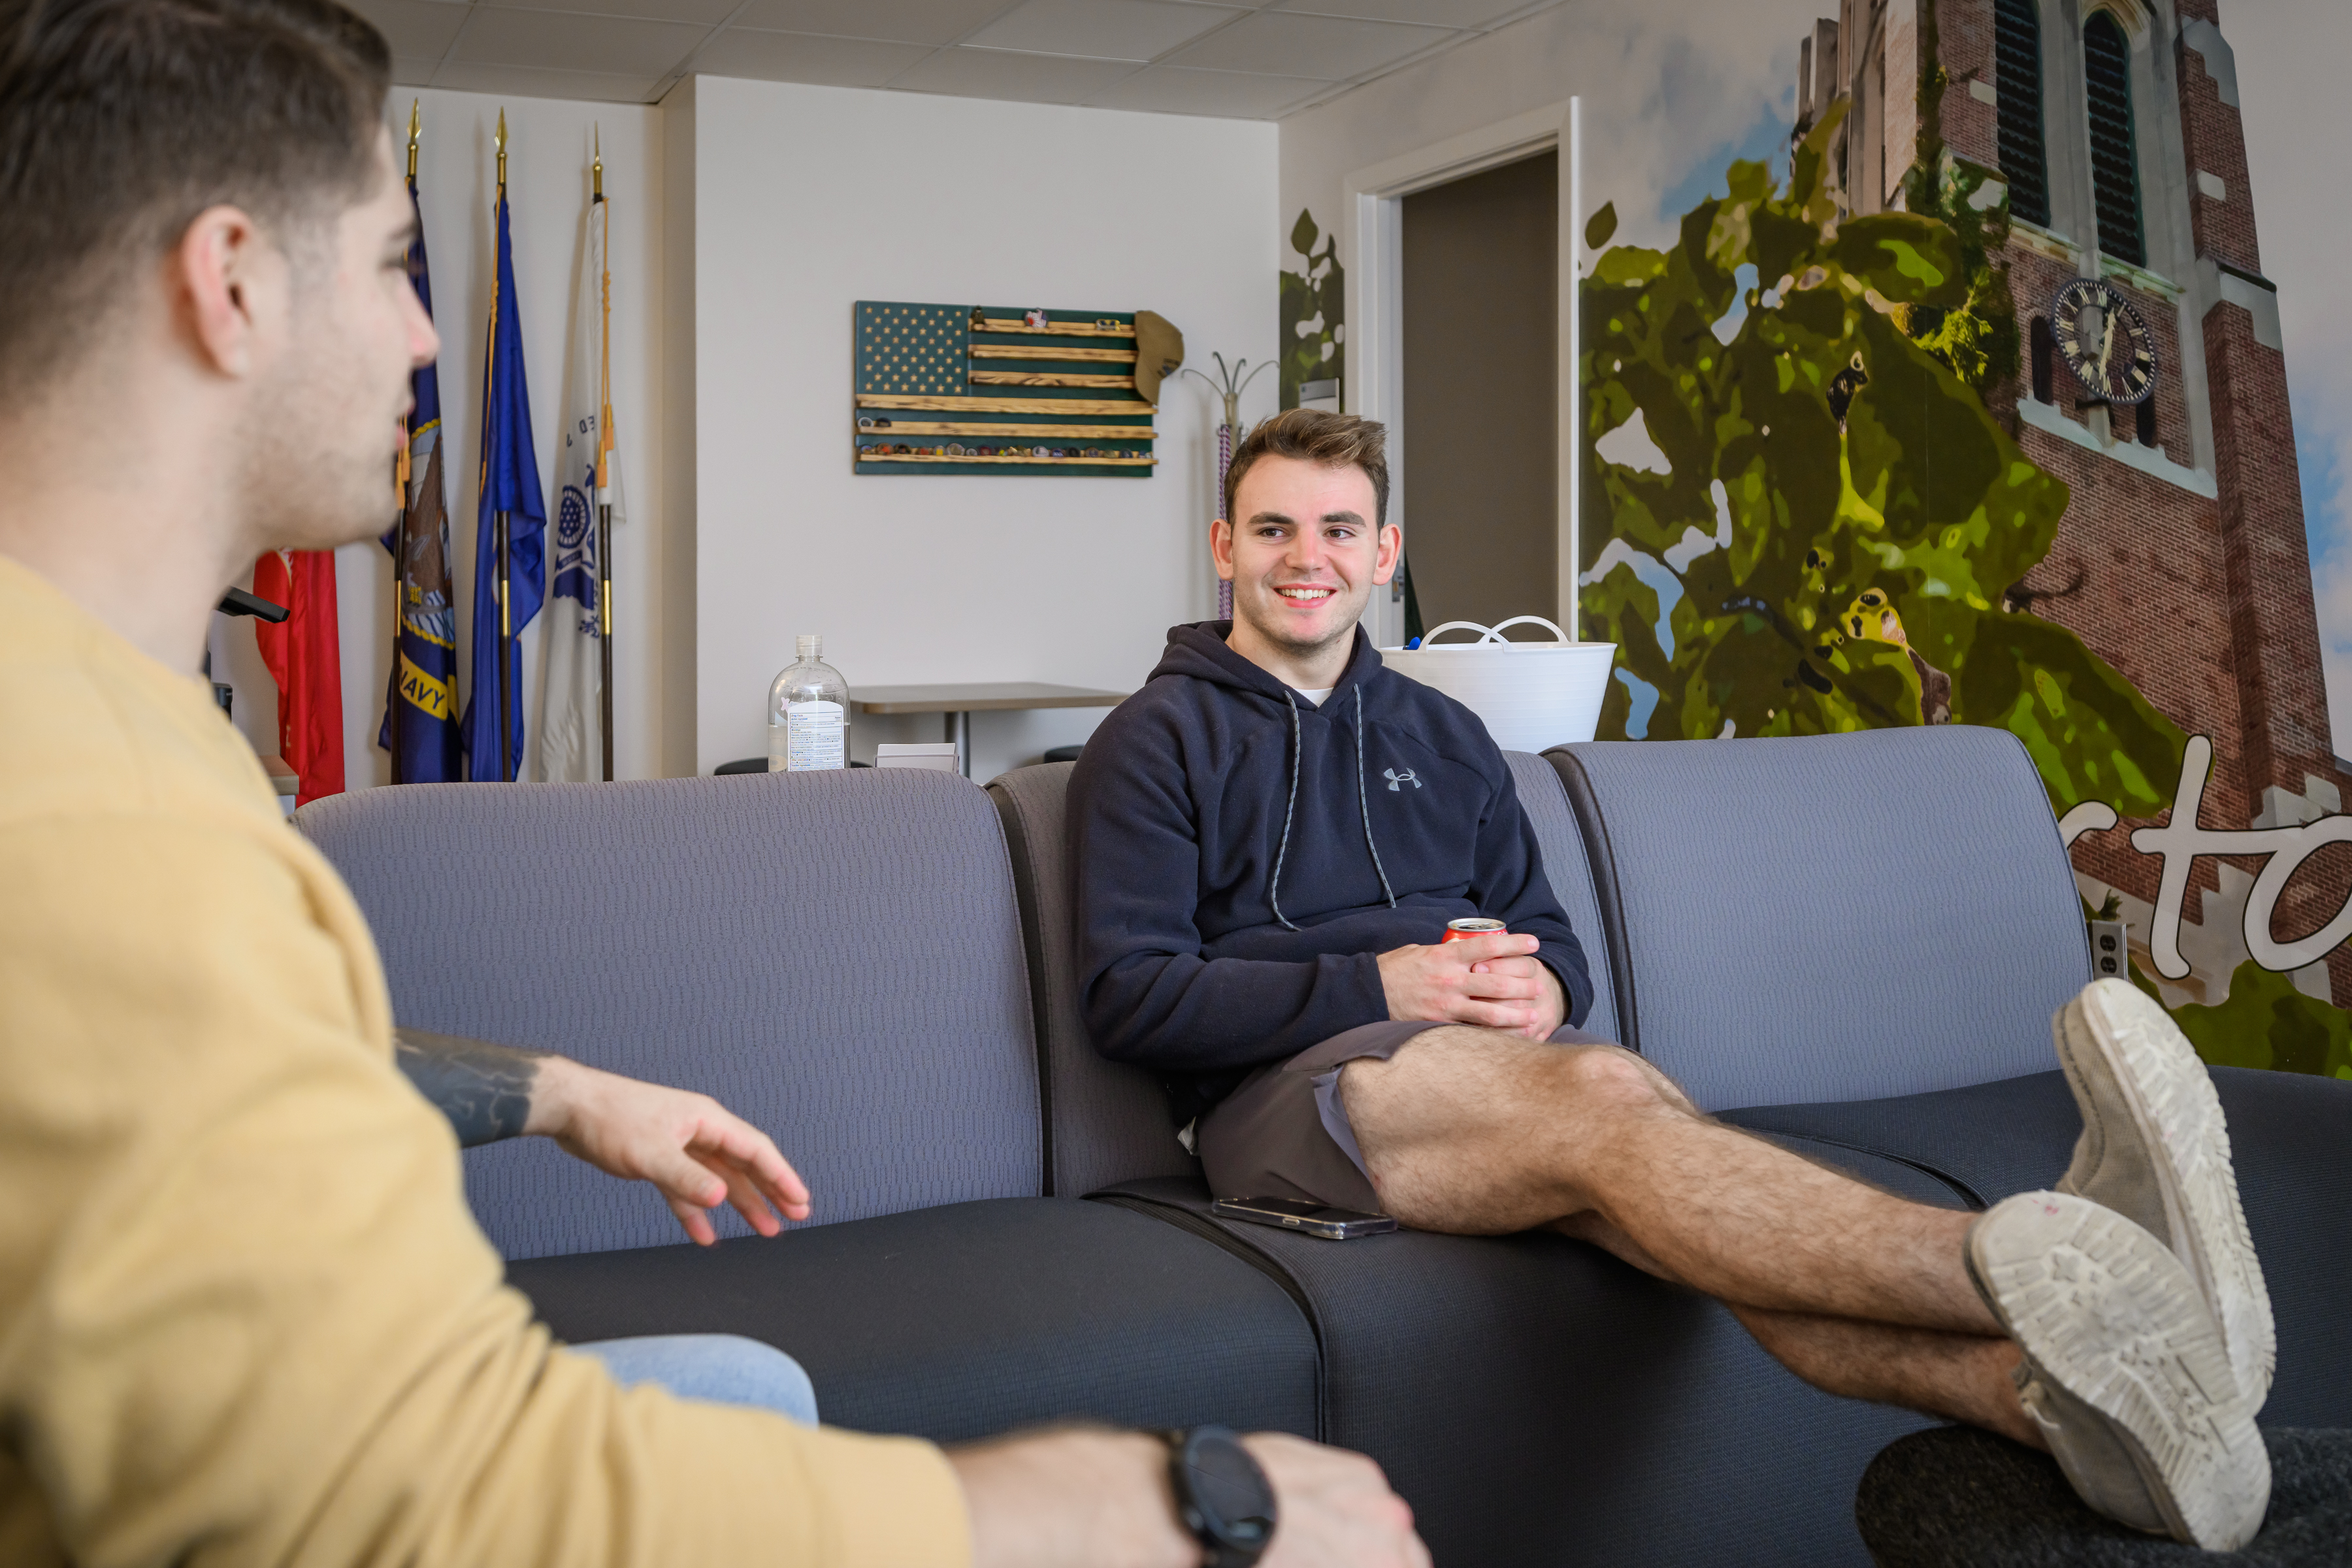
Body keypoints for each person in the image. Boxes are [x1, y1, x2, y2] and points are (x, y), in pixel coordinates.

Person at [0, 1, 1429, 1563]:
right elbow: (397, 1500)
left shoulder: (111, 746)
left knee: (740, 1379)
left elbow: (217, 1055)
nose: (423, 337)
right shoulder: (88, 819)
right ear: (230, 284)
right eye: (394, 262)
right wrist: (1131, 1507)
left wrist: (563, 1093)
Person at [1070, 407, 2279, 1552]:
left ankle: (2084, 1416)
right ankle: (2062, 1263)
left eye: (1338, 530)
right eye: (1274, 529)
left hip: (1484, 1066)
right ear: (1226, 546)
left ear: (1383, 552)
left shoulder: (1444, 736)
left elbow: (1552, 937)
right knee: (1611, 1098)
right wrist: (1378, 989)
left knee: (1654, 1169)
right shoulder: (1154, 739)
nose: (1306, 559)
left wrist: (1545, 989)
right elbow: (1131, 996)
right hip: (1283, 1102)